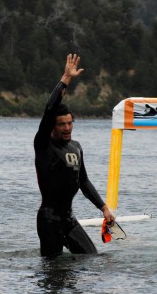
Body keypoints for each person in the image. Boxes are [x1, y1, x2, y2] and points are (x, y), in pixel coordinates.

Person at [34, 54, 115, 257]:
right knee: (53, 275)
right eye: (61, 124)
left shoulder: (76, 147)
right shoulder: (44, 145)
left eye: (70, 123)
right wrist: (65, 80)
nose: (67, 128)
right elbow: (49, 109)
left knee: (91, 258)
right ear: (52, 126)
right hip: (49, 220)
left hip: (69, 220)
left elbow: (84, 181)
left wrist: (104, 208)